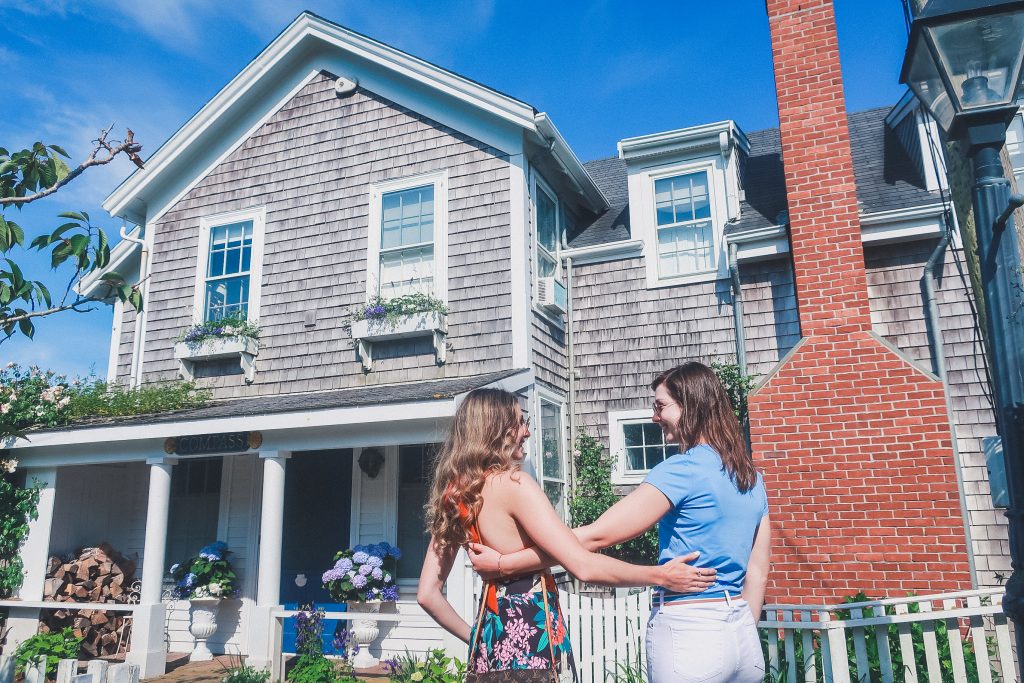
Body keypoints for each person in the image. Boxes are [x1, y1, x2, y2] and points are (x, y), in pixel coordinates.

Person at [468, 362, 771, 683]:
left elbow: (597, 537)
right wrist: (739, 630)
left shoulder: (681, 470)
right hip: (742, 633)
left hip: (691, 629)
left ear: (691, 406)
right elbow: (757, 572)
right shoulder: (752, 478)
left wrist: (504, 563)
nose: (654, 416)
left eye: (660, 406)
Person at [416, 387, 711, 680]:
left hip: (490, 651)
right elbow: (582, 565)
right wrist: (660, 575)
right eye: (520, 423)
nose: (527, 433)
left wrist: (477, 639)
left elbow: (427, 594)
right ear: (498, 429)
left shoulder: (456, 497)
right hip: (534, 648)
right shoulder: (515, 485)